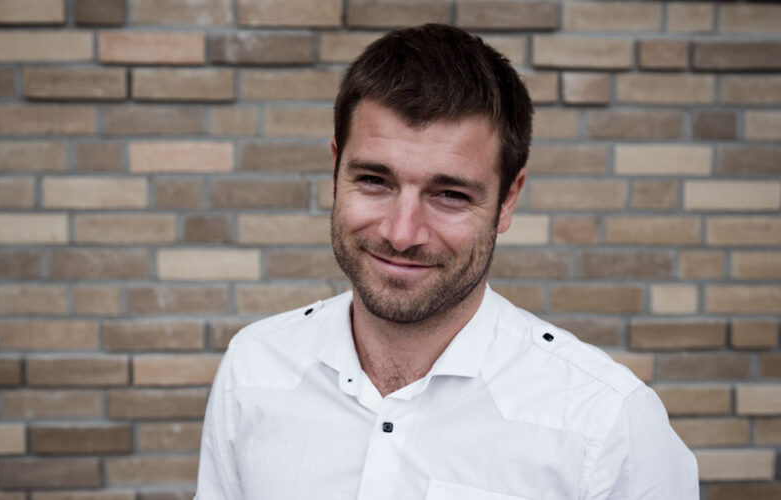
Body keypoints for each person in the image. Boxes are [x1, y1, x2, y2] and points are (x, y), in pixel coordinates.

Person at [196, 24, 698, 499]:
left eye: (450, 194)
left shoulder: (607, 423)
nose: (401, 233)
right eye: (374, 181)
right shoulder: (254, 368)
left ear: (508, 199)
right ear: (335, 172)